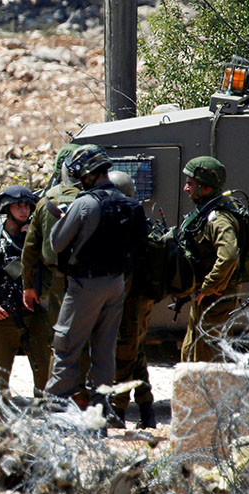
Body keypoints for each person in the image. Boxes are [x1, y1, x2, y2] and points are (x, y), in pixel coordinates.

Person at [46, 145, 147, 425]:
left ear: (88, 175)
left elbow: (57, 243)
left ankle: (56, 411)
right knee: (104, 350)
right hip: (116, 283)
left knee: (66, 346)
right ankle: (99, 414)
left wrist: (65, 217)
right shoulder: (130, 203)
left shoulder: (84, 203)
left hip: (85, 285)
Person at [0, 186, 53, 395]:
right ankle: (0, 422)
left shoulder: (38, 237)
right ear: (7, 208)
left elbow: (53, 269)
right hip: (1, 316)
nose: (24, 211)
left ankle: (46, 418)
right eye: (18, 206)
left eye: (27, 206)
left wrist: (34, 239)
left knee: (45, 371)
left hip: (35, 314)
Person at [21, 144, 82, 398]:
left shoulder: (48, 201)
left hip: (55, 280)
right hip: (89, 279)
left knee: (57, 339)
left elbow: (31, 249)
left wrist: (28, 285)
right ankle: (83, 397)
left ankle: (54, 396)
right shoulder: (92, 198)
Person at [106, 170, 156, 429]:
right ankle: (147, 411)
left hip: (131, 302)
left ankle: (118, 412)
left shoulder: (127, 226)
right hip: (139, 301)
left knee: (125, 356)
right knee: (136, 355)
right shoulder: (137, 220)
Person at [178, 156, 240, 362]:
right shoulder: (206, 211)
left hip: (215, 298)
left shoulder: (218, 218)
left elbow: (229, 255)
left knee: (208, 357)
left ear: (204, 187)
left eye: (190, 183)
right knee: (191, 350)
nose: (186, 188)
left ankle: (209, 395)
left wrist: (209, 286)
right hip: (204, 296)